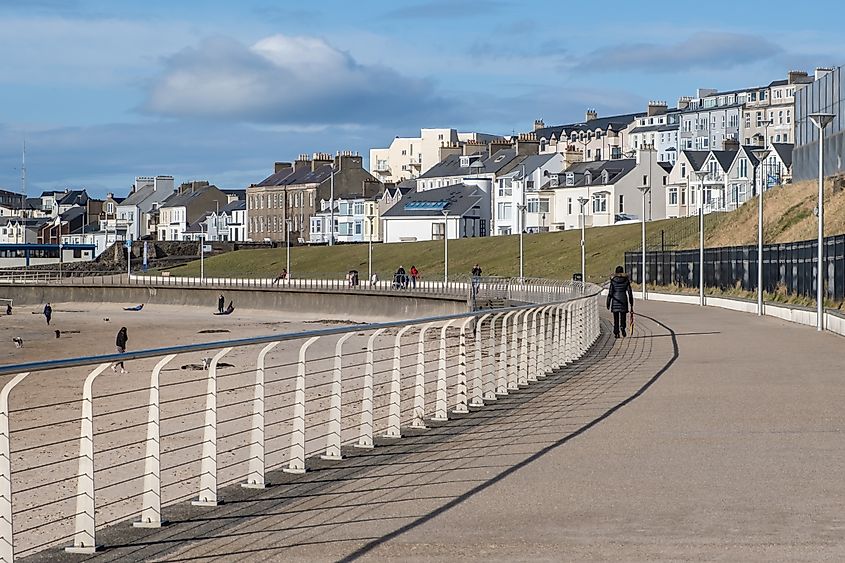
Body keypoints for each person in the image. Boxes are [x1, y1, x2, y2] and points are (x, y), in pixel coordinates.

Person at [606, 265, 634, 338]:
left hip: (615, 300)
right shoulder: (626, 280)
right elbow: (629, 292)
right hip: (623, 300)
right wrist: (631, 303)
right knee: (623, 317)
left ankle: (616, 332)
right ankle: (622, 328)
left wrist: (608, 302)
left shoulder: (613, 280)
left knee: (616, 318)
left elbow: (610, 292)